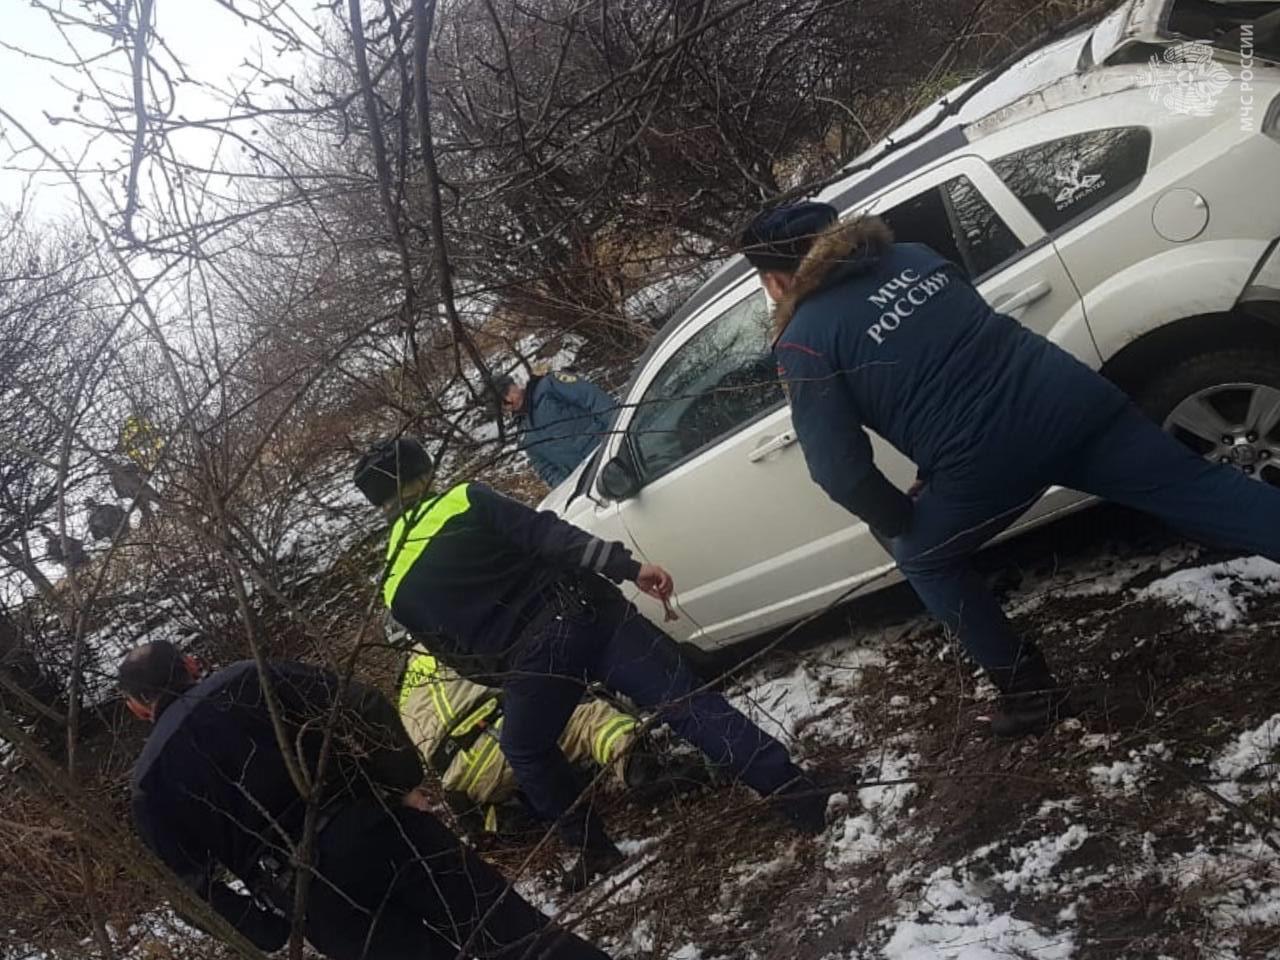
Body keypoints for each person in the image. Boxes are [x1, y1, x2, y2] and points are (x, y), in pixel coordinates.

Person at [742, 201, 1280, 738]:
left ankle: (1029, 696)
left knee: (923, 558)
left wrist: (899, 516)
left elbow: (839, 469)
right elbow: (962, 355)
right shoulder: (912, 256)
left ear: (776, 278)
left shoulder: (804, 339)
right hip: (1071, 400)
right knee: (1199, 487)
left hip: (986, 461)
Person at [354, 438, 828, 891]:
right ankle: (796, 792)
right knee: (684, 703)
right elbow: (550, 537)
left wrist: (512, 675)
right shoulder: (463, 500)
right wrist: (627, 567)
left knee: (526, 749)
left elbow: (454, 656)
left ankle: (594, 848)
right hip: (588, 612)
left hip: (531, 663)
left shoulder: (394, 585)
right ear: (424, 473)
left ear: (378, 505)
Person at [122, 640, 611, 960]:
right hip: (375, 827)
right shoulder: (247, 679)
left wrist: (265, 931)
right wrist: (399, 783)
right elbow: (365, 704)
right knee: (514, 933)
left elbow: (188, 889)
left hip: (308, 894)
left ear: (137, 707)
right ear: (189, 665)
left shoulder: (148, 785)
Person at [392, 627, 711, 838]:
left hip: (466, 781)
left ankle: (504, 819)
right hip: (500, 733)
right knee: (589, 717)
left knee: (502, 778)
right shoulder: (449, 639)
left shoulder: (403, 696)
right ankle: (640, 769)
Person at [491, 370, 613, 487]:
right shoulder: (524, 433)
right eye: (503, 404)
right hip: (586, 479)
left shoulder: (548, 386)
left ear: (515, 385)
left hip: (608, 449)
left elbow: (593, 398)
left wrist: (618, 429)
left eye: (507, 392)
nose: (509, 400)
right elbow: (544, 467)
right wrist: (566, 486)